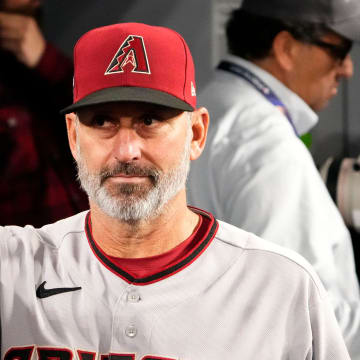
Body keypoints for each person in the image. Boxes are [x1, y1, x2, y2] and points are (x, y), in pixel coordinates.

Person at [0, 22, 351, 360]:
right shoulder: (15, 268)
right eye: (102, 121)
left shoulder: (282, 287)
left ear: (196, 134)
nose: (126, 151)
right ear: (74, 136)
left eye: (149, 121)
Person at [187, 0, 360, 357]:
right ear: (285, 48)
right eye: (338, 50)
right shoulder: (266, 144)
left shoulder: (211, 105)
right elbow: (299, 314)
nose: (347, 69)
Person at [0, 0, 88, 227]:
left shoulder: (50, 61)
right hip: (23, 257)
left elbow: (99, 118)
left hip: (88, 247)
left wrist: (44, 57)